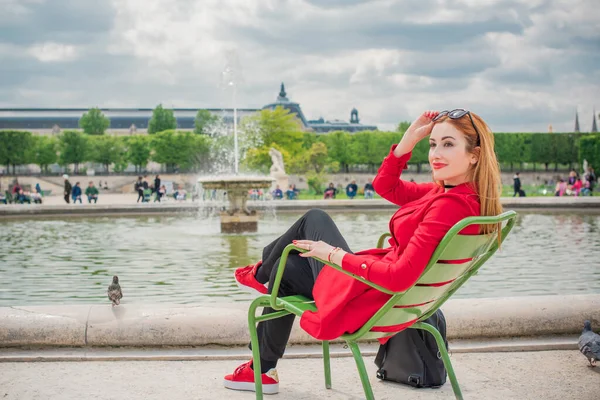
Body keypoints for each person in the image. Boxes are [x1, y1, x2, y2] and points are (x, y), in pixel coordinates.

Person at [224, 109, 502, 394]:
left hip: (374, 298)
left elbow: (399, 277)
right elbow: (386, 186)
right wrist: (407, 141)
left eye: (448, 144)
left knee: (310, 225)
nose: (435, 153)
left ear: (474, 155)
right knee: (290, 265)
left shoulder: (448, 205)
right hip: (389, 296)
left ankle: (261, 296)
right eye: (432, 144)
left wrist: (333, 254)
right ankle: (262, 358)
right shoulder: (455, 195)